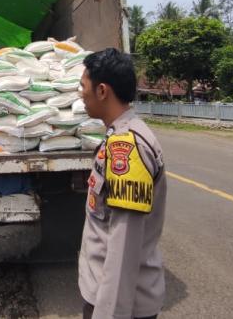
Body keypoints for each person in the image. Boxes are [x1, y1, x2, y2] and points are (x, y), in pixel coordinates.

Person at [77, 48, 167, 319]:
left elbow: (123, 247)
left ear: (102, 90)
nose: (80, 94)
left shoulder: (127, 149)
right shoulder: (119, 135)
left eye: (83, 86)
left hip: (119, 304)